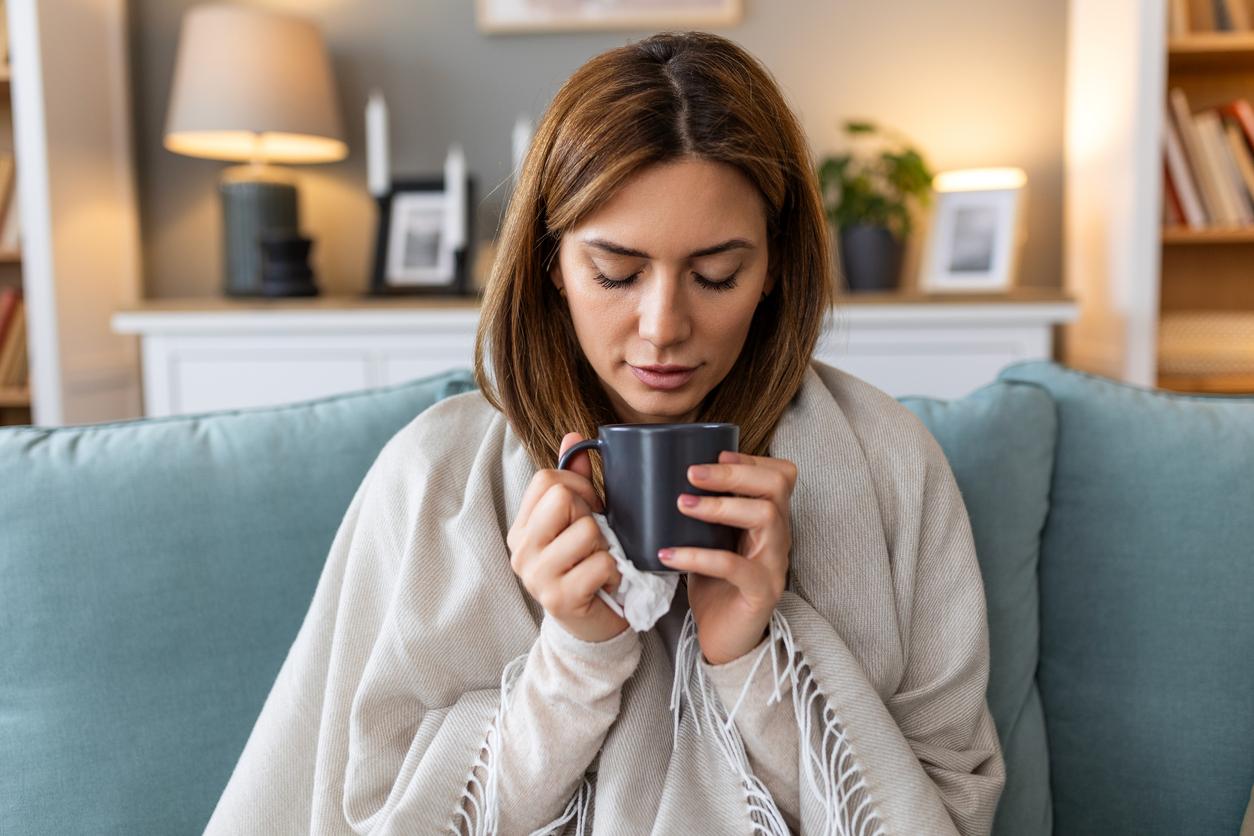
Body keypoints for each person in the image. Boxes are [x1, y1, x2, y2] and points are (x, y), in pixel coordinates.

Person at [205, 30, 1005, 835]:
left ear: (775, 271)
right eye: (616, 273)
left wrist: (753, 657)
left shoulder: (891, 465)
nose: (663, 327)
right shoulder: (432, 480)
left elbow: (946, 812)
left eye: (717, 274)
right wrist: (578, 659)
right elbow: (382, 814)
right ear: (551, 263)